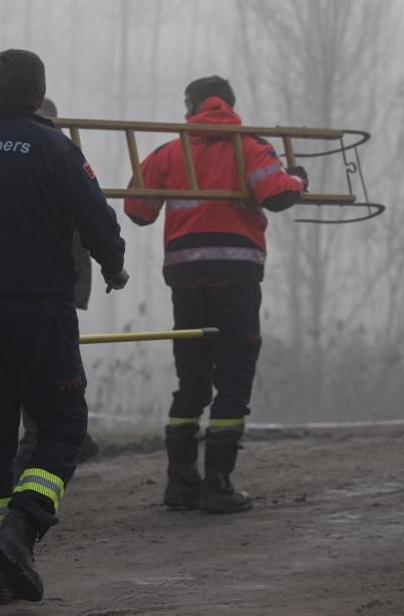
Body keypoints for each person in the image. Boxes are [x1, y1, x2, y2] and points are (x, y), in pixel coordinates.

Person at [0, 49, 128, 604]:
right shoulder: (54, 146)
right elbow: (96, 216)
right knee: (63, 426)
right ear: (39, 96)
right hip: (41, 308)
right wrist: (113, 267)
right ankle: (20, 528)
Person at [123, 76, 308, 514]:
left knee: (191, 379)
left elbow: (137, 210)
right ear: (229, 104)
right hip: (236, 279)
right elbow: (278, 194)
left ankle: (180, 483)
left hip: (186, 280)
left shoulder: (171, 151)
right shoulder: (249, 146)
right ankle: (218, 483)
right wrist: (299, 177)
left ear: (191, 106)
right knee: (233, 376)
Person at [13, 97, 99, 478]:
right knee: (47, 368)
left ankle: (49, 445)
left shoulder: (52, 155)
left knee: (45, 368)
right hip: (45, 286)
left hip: (39, 285)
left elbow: (86, 220)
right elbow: (91, 216)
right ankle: (51, 446)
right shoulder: (60, 153)